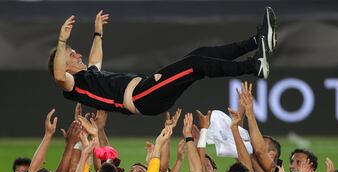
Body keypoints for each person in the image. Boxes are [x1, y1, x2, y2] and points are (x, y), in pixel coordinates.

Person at [48, 7, 277, 115]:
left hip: (146, 90)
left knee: (199, 55)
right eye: (71, 54)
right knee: (194, 64)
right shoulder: (72, 85)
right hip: (141, 97)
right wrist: (61, 41)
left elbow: (95, 60)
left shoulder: (88, 76)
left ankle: (258, 40)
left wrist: (98, 34)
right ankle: (254, 66)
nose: (78, 55)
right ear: (64, 64)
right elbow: (59, 76)